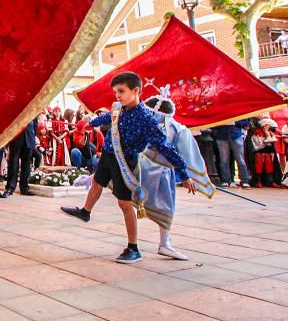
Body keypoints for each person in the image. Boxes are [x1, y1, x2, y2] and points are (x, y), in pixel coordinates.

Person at [60, 72, 193, 264]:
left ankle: (133, 248)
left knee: (124, 204)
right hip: (108, 155)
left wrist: (183, 173)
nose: (118, 96)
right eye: (115, 92)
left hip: (124, 161)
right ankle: (85, 212)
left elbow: (166, 147)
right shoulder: (118, 108)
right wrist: (90, 123)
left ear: (136, 90)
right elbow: (107, 117)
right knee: (97, 183)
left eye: (121, 91)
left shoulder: (145, 119)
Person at [135, 91, 214, 260]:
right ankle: (135, 244)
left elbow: (187, 154)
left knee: (166, 207)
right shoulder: (145, 125)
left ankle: (164, 243)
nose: (147, 114)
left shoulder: (177, 130)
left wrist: (188, 176)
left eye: (150, 112)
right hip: (143, 165)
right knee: (125, 194)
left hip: (162, 171)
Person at [212, 120, 251, 188]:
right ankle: (226, 180)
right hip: (222, 136)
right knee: (224, 160)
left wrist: (234, 122)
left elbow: (246, 123)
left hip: (235, 135)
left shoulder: (236, 110)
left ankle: (244, 180)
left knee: (240, 160)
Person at [5, 117, 37, 196]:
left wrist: (33, 134)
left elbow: (35, 121)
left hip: (29, 135)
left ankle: (24, 188)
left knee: (26, 164)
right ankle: (10, 187)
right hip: (17, 135)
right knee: (13, 162)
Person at [251, 118, 282, 187]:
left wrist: (270, 128)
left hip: (269, 147)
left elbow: (276, 129)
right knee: (258, 164)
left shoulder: (270, 128)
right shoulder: (254, 124)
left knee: (270, 164)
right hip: (258, 145)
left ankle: (270, 181)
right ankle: (258, 181)